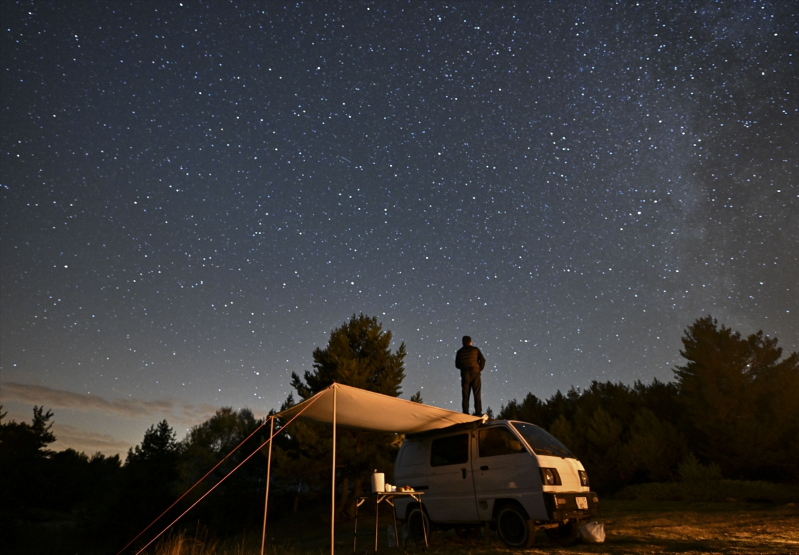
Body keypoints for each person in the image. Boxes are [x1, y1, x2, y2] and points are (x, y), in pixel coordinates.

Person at [455, 336, 486, 416]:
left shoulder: (459, 352)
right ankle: (478, 412)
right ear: (470, 342)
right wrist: (479, 369)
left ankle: (465, 412)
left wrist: (464, 366)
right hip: (475, 372)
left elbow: (457, 365)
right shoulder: (475, 349)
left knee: (465, 393)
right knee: (477, 392)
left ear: (463, 342)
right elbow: (483, 360)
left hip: (465, 373)